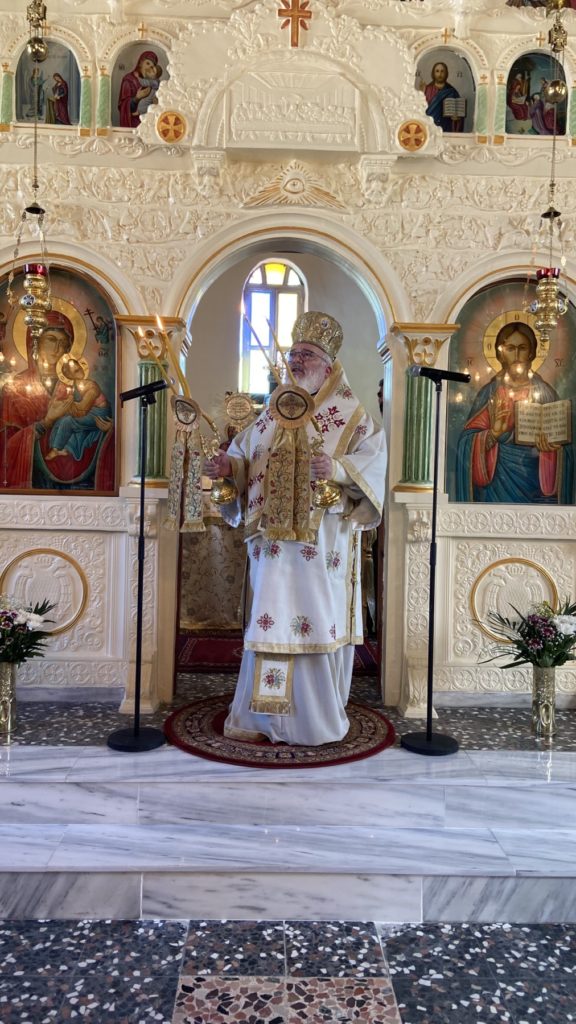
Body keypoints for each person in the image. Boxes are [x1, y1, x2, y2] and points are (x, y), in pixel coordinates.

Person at [204, 312, 387, 746]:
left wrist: (337, 469)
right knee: (270, 620)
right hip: (271, 546)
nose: (297, 361)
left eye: (307, 354)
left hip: (321, 546)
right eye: (294, 354)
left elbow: (375, 463)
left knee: (314, 619)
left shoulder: (352, 415)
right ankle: (260, 719)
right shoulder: (273, 410)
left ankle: (313, 721)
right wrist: (229, 466)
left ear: (329, 365)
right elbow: (245, 453)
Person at [455, 322, 573, 504]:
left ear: (531, 352)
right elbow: (466, 442)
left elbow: (568, 447)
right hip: (496, 487)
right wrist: (493, 434)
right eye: (510, 348)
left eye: (522, 348)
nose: (517, 355)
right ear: (501, 354)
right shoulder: (490, 393)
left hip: (536, 486)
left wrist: (554, 450)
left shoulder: (545, 393)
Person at [0, 311, 114, 490]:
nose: (58, 348)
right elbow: (6, 447)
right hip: (30, 480)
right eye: (51, 339)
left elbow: (95, 421)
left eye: (63, 343)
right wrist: (47, 421)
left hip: (75, 476)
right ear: (35, 342)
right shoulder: (14, 388)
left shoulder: (78, 385)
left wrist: (107, 430)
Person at [46, 357, 112, 462]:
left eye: (79, 367)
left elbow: (83, 408)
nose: (81, 371)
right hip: (90, 411)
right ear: (70, 376)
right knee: (61, 420)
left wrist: (66, 406)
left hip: (100, 414)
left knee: (68, 421)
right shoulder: (75, 387)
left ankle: (56, 449)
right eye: (76, 371)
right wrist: (63, 406)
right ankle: (60, 447)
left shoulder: (91, 386)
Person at [118, 51, 162, 128]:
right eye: (147, 63)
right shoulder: (129, 79)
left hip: (148, 123)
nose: (149, 68)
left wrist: (157, 102)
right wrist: (137, 98)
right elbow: (123, 106)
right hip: (133, 124)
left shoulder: (150, 81)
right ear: (140, 63)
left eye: (152, 67)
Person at [421, 61, 464, 133]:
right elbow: (420, 109)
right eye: (437, 71)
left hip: (446, 129)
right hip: (429, 128)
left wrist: (457, 119)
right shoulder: (427, 89)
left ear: (446, 73)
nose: (440, 74)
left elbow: (459, 115)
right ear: (433, 73)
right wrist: (421, 92)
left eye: (442, 71)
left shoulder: (452, 91)